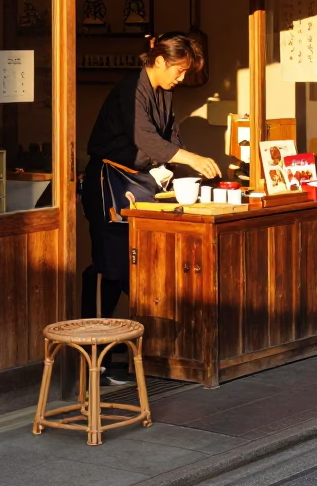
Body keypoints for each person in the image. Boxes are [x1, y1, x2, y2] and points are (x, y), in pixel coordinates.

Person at [80, 32, 220, 381]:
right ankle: (95, 360)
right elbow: (145, 139)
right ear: (159, 61)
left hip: (140, 181)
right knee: (110, 265)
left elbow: (170, 138)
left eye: (186, 72)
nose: (182, 78)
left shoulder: (164, 94)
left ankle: (128, 353)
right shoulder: (132, 88)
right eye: (180, 70)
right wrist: (191, 158)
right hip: (109, 181)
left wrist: (178, 171)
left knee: (137, 263)